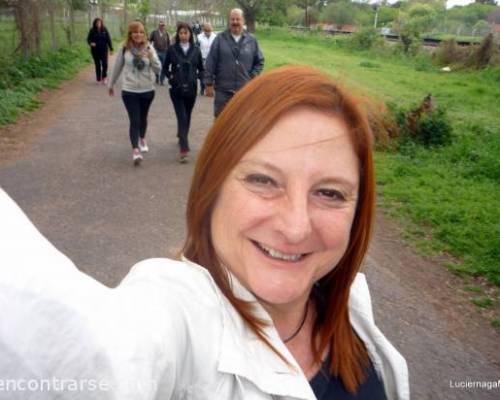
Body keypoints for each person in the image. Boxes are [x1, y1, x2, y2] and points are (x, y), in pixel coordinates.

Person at [0, 66, 409, 399]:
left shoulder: (352, 313)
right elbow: (93, 359)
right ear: (211, 187)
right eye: (264, 181)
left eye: (330, 193)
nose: (296, 226)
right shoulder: (177, 314)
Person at [108, 21, 161, 165]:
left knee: (143, 118)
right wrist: (111, 84)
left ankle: (142, 138)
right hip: (129, 90)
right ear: (130, 34)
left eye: (141, 32)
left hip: (147, 90)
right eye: (135, 32)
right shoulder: (125, 49)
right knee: (135, 120)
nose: (138, 35)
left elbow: (158, 69)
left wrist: (150, 57)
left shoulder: (150, 48)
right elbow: (118, 66)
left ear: (144, 34)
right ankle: (135, 150)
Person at [204, 8, 264, 117]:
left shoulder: (251, 40)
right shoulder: (219, 39)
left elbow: (259, 62)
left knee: (242, 122)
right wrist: (208, 83)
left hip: (244, 90)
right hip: (223, 90)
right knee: (221, 121)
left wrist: (252, 77)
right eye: (232, 19)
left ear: (243, 21)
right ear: (229, 21)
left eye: (238, 19)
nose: (235, 22)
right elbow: (210, 62)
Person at [163, 22, 203, 163]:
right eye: (181, 33)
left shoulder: (196, 50)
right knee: (182, 116)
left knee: (188, 115)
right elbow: (165, 68)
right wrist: (171, 77)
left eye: (186, 33)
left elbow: (201, 69)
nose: (183, 35)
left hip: (191, 89)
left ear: (190, 34)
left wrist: (197, 78)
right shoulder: (172, 49)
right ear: (178, 34)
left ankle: (182, 134)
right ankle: (184, 149)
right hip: (176, 90)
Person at [87, 18, 113, 85]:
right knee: (97, 65)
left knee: (105, 65)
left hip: (104, 50)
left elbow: (108, 39)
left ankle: (104, 77)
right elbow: (88, 39)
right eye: (97, 23)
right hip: (95, 51)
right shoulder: (92, 30)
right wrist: (91, 43)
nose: (98, 24)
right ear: (95, 23)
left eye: (99, 23)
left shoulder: (104, 29)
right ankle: (98, 79)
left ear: (101, 23)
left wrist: (111, 48)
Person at [197, 23, 217, 95]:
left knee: (212, 75)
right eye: (206, 31)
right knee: (202, 75)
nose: (208, 33)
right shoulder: (199, 37)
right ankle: (202, 89)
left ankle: (212, 89)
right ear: (203, 30)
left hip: (212, 59)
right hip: (202, 58)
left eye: (209, 31)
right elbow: (197, 48)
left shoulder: (215, 37)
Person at [149, 20, 170, 85]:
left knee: (164, 66)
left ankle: (162, 80)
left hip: (164, 52)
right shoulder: (154, 32)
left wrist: (169, 51)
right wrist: (149, 48)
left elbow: (168, 43)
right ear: (158, 26)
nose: (162, 27)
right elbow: (150, 40)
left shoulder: (166, 33)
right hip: (156, 51)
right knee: (156, 65)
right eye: (161, 25)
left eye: (163, 25)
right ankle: (157, 76)